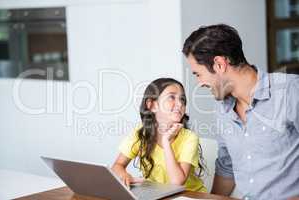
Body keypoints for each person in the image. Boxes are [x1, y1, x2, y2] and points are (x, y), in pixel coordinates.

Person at [182, 24, 299, 199]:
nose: (200, 83)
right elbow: (227, 166)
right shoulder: (223, 108)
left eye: (198, 74)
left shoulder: (290, 90)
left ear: (219, 64)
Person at [111, 78, 206, 192]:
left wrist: (166, 141)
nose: (180, 103)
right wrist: (124, 175)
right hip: (158, 194)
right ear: (152, 105)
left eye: (182, 99)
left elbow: (177, 182)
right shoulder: (140, 134)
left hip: (190, 195)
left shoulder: (189, 138)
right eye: (171, 97)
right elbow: (117, 165)